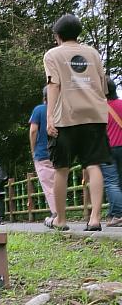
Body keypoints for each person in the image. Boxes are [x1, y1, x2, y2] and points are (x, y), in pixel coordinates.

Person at [45, 13, 110, 231]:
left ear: (57, 35)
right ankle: (95, 219)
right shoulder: (93, 53)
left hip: (66, 117)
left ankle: (61, 221)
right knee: (93, 164)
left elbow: (54, 85)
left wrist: (50, 117)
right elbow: (102, 85)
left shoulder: (53, 55)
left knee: (61, 168)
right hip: (94, 115)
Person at [29, 87, 57, 224]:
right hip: (60, 152)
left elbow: (33, 130)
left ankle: (56, 214)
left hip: (43, 153)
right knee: (59, 182)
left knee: (49, 186)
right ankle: (59, 213)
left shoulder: (39, 110)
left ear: (44, 97)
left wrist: (33, 150)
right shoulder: (62, 110)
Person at [101, 78, 122, 226]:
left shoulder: (99, 108)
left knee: (111, 183)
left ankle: (118, 214)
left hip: (108, 148)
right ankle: (114, 213)